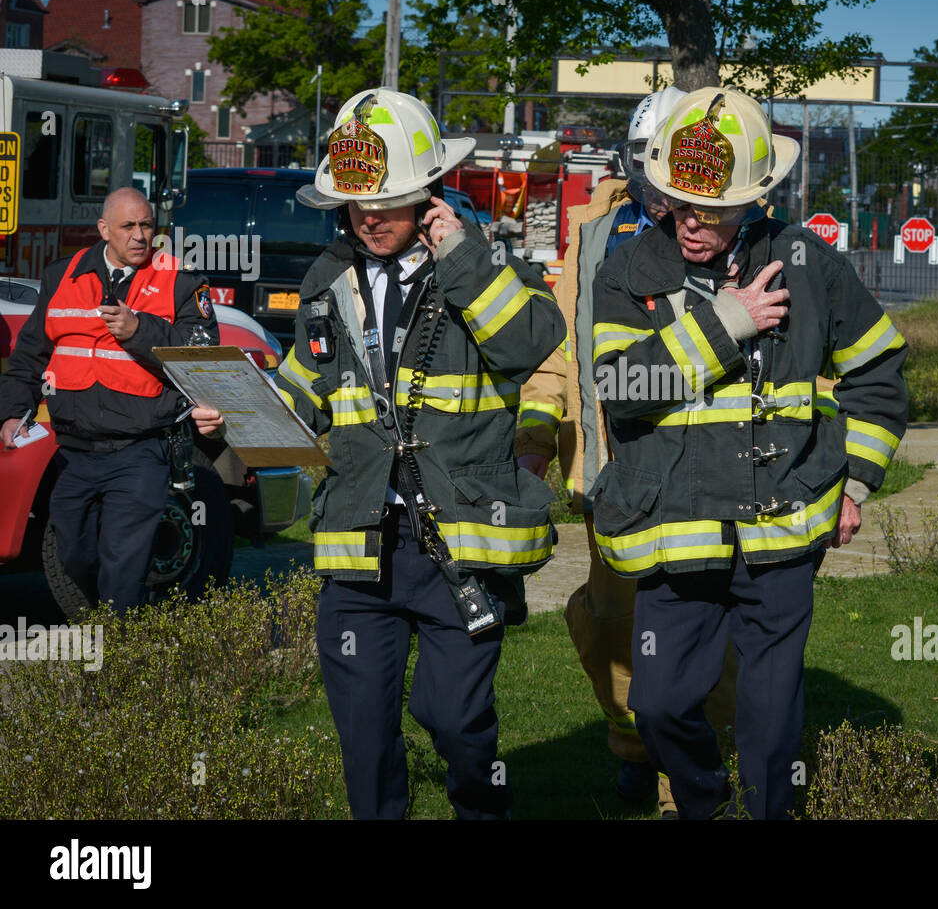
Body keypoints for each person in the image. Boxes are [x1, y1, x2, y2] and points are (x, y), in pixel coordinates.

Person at [197, 88, 565, 819]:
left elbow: (529, 343)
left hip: (459, 544)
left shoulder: (482, 266)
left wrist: (458, 255)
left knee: (456, 724)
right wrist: (235, 419)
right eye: (357, 203)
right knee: (363, 741)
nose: (370, 217)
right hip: (360, 545)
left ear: (428, 192)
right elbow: (308, 391)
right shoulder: (325, 281)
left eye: (390, 200)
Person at [590, 87, 909, 819]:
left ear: (755, 199)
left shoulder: (809, 264)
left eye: (714, 209)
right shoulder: (628, 271)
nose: (691, 224)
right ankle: (705, 803)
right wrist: (727, 322)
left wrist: (855, 485)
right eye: (677, 202)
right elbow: (621, 386)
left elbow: (879, 370)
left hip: (785, 530)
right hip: (677, 527)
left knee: (770, 725)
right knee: (661, 703)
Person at [515, 86, 739, 817]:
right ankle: (636, 748)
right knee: (610, 626)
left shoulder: (730, 233)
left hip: (704, 472)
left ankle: (689, 782)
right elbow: (562, 345)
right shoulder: (598, 234)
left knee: (698, 637)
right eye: (649, 170)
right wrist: (536, 438)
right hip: (612, 468)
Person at [0, 187, 218, 614]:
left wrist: (140, 329)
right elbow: (28, 355)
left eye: (147, 226)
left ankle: (118, 658)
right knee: (72, 553)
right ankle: (117, 626)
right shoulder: (64, 275)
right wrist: (12, 415)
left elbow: (204, 353)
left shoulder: (181, 279)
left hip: (140, 450)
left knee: (123, 566)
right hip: (75, 452)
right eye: (128, 227)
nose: (140, 236)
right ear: (103, 230)